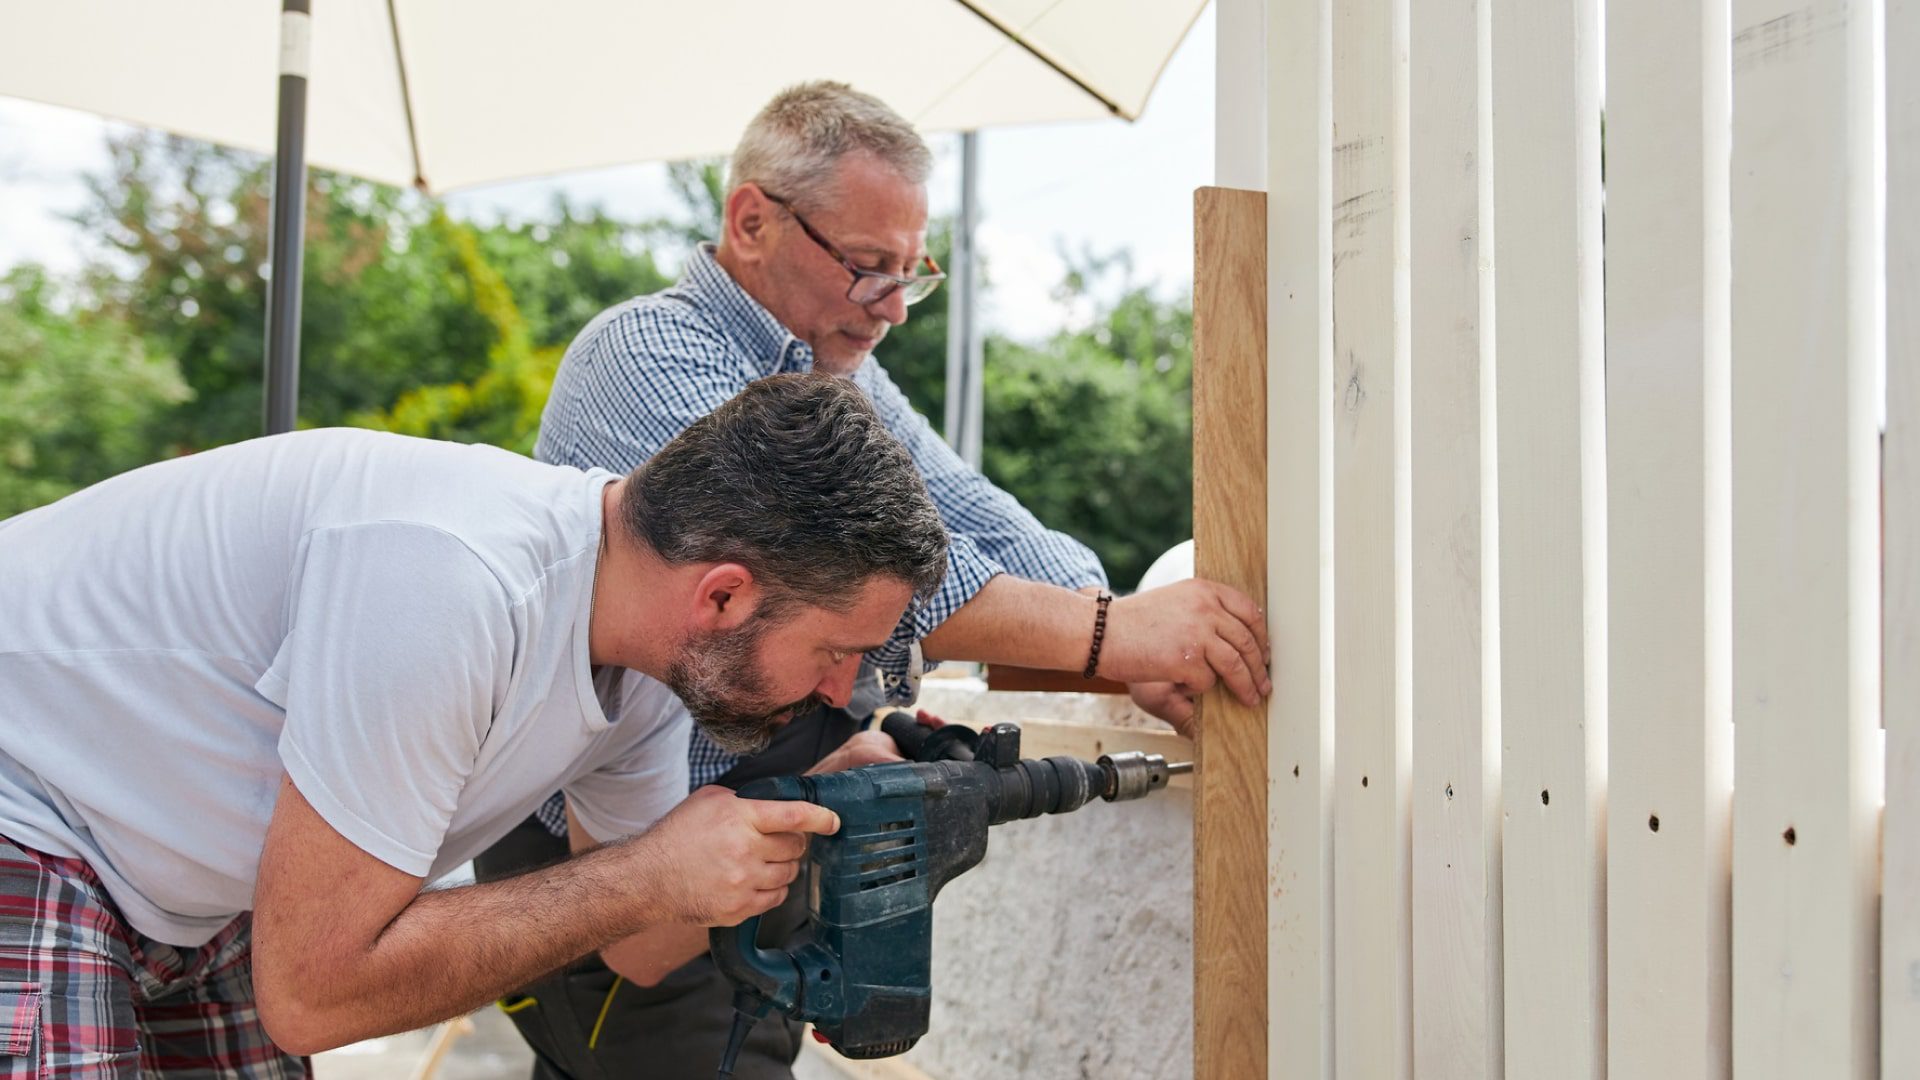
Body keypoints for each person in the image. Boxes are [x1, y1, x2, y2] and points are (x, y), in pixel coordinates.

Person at [482, 82, 1271, 1079]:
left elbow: (974, 521)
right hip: (606, 861)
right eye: (866, 269)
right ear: (752, 220)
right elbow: (866, 579)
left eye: (912, 274)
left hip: (737, 834)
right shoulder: (648, 353)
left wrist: (1114, 634)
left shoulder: (837, 370)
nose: (893, 310)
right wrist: (1115, 638)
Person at [0, 373, 948, 1076]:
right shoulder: (451, 581)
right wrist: (647, 873)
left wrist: (801, 814)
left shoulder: (652, 666)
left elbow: (641, 946)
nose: (843, 694)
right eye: (837, 653)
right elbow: (315, 994)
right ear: (725, 597)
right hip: (32, 810)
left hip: (188, 891)